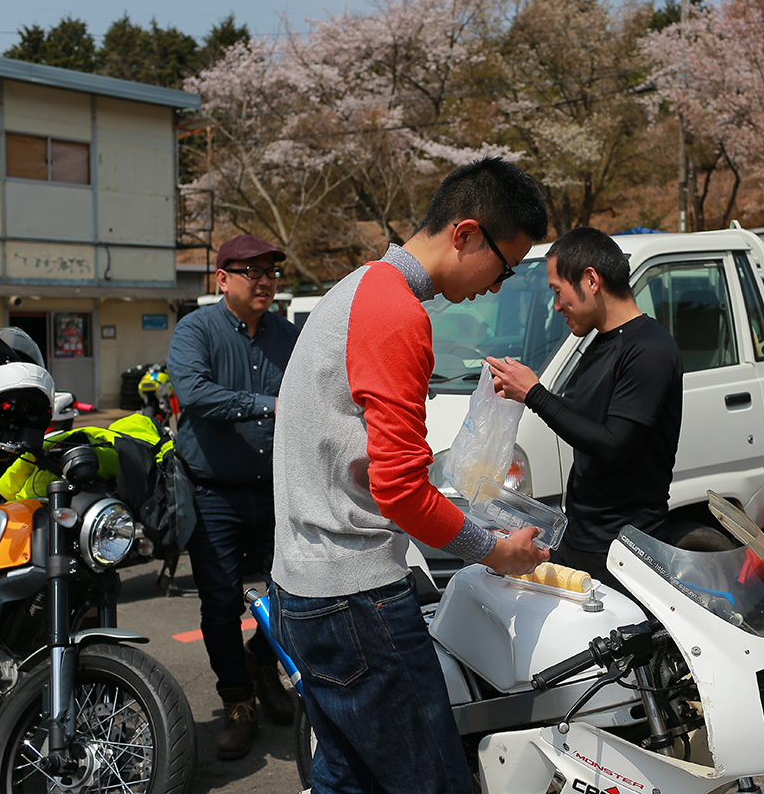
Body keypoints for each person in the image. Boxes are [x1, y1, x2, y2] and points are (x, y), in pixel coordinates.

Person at [271, 157, 550, 794]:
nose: (497, 286)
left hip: (303, 584)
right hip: (355, 598)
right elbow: (399, 490)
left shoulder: (355, 289)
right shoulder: (396, 312)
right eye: (504, 267)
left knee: (348, 780)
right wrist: (495, 550)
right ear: (466, 234)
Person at [486, 226, 683, 594]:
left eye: (557, 291)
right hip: (581, 538)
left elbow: (613, 443)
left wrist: (535, 395)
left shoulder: (650, 349)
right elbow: (588, 416)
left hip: (626, 551)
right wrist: (523, 392)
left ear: (591, 280)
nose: (557, 306)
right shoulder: (601, 342)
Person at [166, 234, 300, 760]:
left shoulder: (288, 335)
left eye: (271, 272)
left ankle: (262, 661)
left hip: (276, 489)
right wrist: (268, 404)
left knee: (293, 591)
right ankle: (237, 700)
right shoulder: (196, 329)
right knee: (220, 603)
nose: (265, 281)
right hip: (213, 494)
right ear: (222, 279)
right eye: (252, 271)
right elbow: (194, 393)